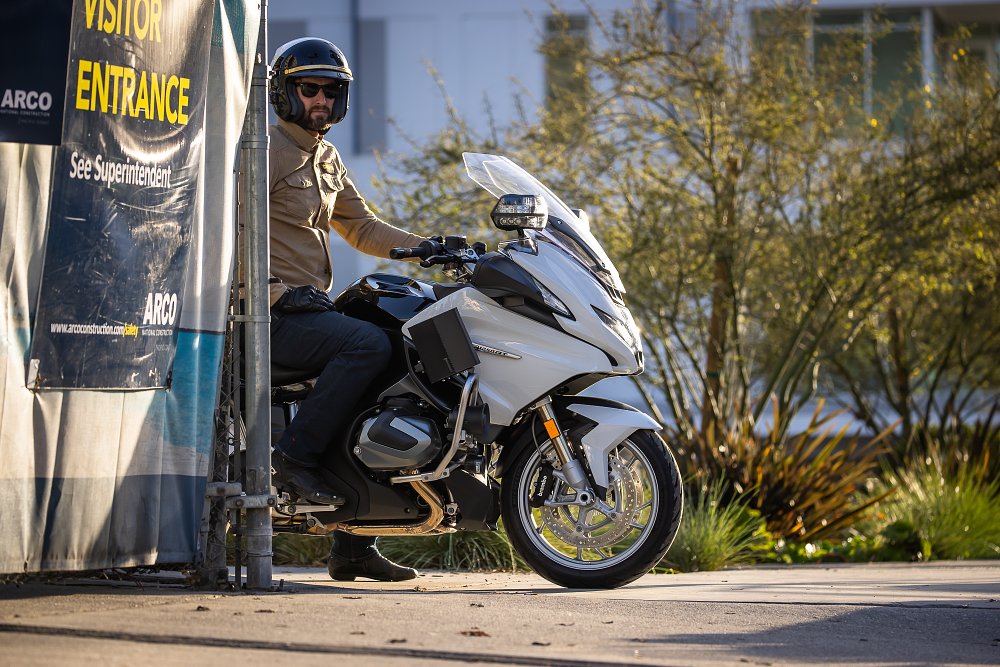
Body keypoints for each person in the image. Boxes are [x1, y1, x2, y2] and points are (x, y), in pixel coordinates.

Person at [265, 38, 427, 582]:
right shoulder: (261, 150)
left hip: (306, 309)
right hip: (265, 315)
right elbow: (221, 230)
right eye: (308, 88)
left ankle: (354, 541)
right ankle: (292, 461)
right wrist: (270, 292)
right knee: (365, 344)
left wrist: (427, 247)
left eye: (330, 90)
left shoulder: (325, 156)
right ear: (285, 92)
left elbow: (361, 227)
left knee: (401, 351)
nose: (319, 99)